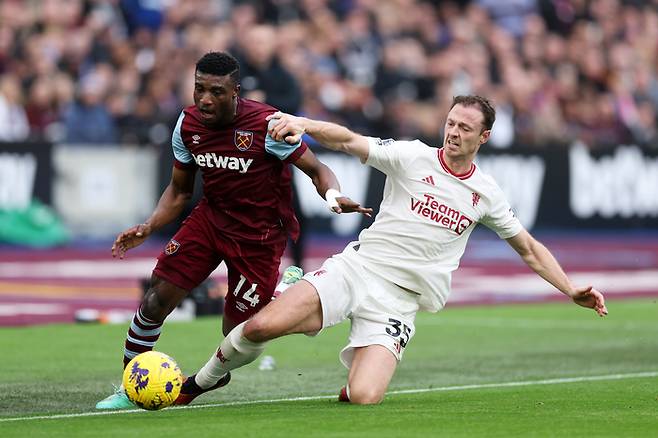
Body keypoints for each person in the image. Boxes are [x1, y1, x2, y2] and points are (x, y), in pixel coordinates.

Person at [173, 95, 607, 406]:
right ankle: (197, 383)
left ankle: (339, 347)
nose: (453, 132)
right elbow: (347, 140)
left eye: (465, 128)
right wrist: (304, 124)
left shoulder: (486, 194)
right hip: (359, 270)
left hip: (400, 302)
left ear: (485, 136)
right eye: (451, 123)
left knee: (363, 397)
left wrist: (570, 289)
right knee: (258, 329)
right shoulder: (411, 156)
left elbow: (528, 248)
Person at [96, 51, 371, 409]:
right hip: (210, 221)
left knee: (237, 335)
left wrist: (333, 196)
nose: (205, 99)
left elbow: (317, 170)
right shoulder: (188, 125)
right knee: (155, 299)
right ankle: (130, 388)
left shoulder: (267, 125)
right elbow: (179, 191)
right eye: (199, 89)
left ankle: (275, 298)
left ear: (236, 92)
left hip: (258, 238)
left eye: (216, 91)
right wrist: (149, 226)